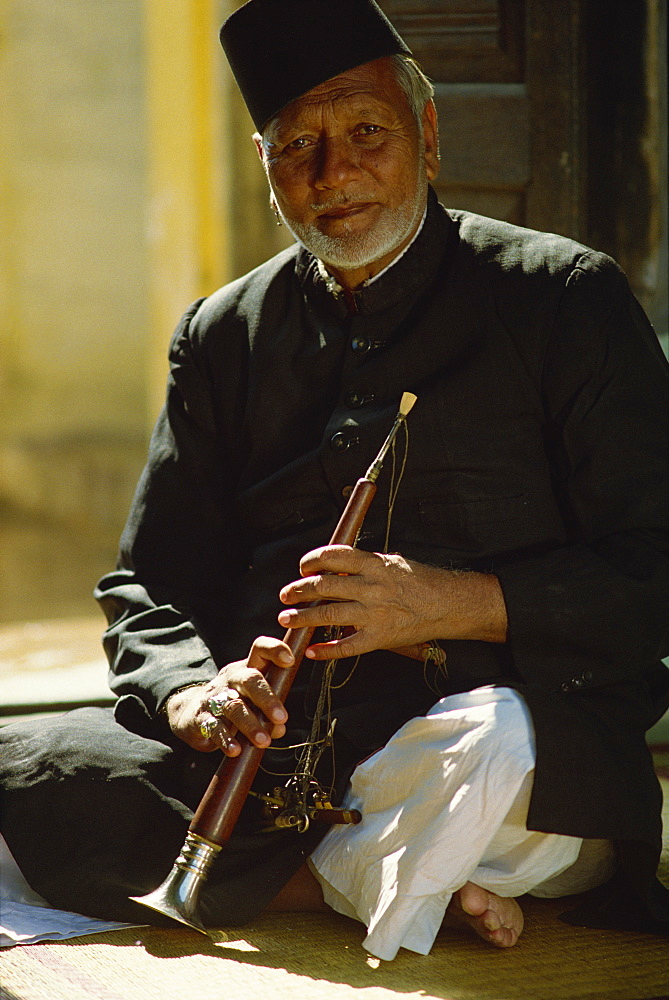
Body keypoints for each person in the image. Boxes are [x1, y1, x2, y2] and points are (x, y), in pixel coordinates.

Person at [1, 0, 668, 961]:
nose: (334, 172)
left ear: (428, 137)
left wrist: (449, 603)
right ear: (268, 171)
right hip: (283, 768)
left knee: (493, 748)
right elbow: (147, 588)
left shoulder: (564, 298)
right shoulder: (225, 334)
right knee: (33, 760)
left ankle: (325, 872)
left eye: (366, 133)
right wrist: (196, 694)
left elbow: (655, 574)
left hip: (488, 749)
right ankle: (373, 880)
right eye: (296, 145)